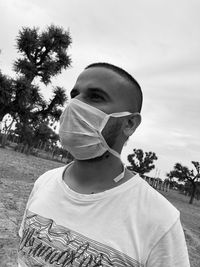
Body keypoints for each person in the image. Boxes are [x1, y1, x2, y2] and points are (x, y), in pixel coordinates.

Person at [18, 62, 190, 267]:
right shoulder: (44, 182)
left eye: (95, 97)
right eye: (74, 95)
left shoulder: (159, 220)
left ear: (129, 124)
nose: (74, 105)